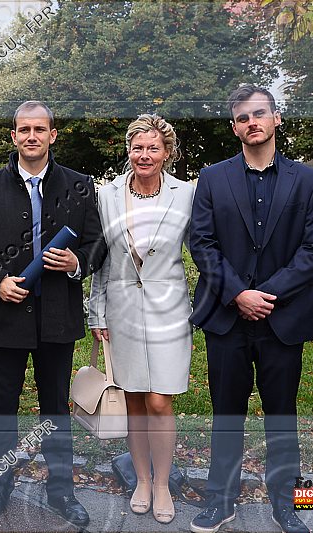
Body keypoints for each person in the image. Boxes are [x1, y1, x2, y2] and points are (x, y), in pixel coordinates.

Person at [0, 101, 107, 527]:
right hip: (6, 317)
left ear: (52, 135)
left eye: (40, 129)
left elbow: (97, 243)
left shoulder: (79, 185)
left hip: (58, 316)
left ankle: (61, 490)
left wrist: (77, 263)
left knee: (55, 407)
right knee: (3, 406)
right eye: (24, 129)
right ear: (14, 136)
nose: (32, 136)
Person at [189, 85, 313, 533]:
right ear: (235, 128)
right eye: (243, 117)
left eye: (259, 114)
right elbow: (202, 243)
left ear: (276, 118)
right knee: (226, 416)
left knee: (282, 416)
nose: (252, 122)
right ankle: (221, 501)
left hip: (283, 319)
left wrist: (265, 295)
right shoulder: (213, 178)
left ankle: (285, 504)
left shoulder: (308, 180)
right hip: (226, 319)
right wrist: (238, 294)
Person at [88, 114, 193, 524]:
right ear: (128, 151)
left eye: (153, 148)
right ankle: (143, 481)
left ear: (167, 152)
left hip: (169, 310)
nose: (144, 155)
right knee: (133, 399)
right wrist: (97, 312)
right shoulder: (108, 195)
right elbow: (101, 260)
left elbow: (203, 248)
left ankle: (163, 483)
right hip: (122, 310)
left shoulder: (186, 194)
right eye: (137, 148)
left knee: (160, 401)